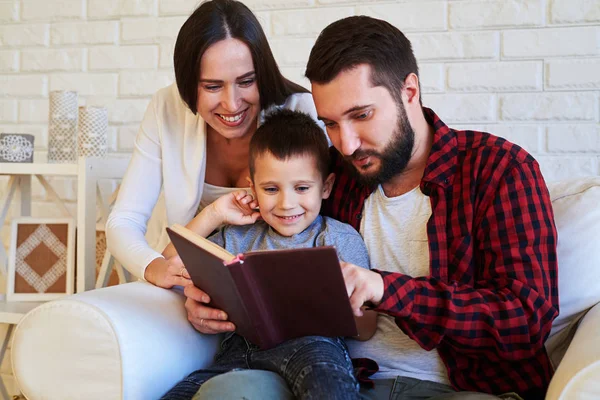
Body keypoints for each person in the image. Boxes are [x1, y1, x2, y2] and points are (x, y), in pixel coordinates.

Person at [193, 15, 559, 400]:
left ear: (410, 92)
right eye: (331, 123)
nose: (347, 144)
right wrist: (210, 300)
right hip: (339, 379)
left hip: (462, 389)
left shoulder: (500, 169)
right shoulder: (334, 175)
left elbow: (526, 320)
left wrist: (387, 289)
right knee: (228, 391)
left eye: (361, 115)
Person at [105, 0, 323, 335]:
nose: (232, 104)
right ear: (188, 83)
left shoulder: (299, 112)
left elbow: (324, 220)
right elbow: (125, 220)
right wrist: (155, 266)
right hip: (184, 290)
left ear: (262, 73)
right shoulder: (167, 108)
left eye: (246, 81)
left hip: (274, 304)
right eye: (212, 86)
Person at [161, 109, 377, 400]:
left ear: (325, 187)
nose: (287, 204)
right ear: (253, 188)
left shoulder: (339, 238)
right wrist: (214, 214)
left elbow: (366, 329)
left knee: (328, 385)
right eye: (271, 189)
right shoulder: (237, 236)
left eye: (302, 188)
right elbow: (169, 260)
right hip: (238, 349)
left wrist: (336, 304)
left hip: (312, 345)